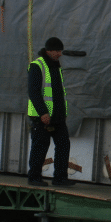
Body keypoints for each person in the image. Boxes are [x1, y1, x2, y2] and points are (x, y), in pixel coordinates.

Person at [27, 37, 76, 187]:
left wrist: (62, 113)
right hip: (42, 118)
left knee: (63, 144)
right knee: (40, 146)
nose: (60, 53)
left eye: (60, 50)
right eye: (57, 50)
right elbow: (34, 92)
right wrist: (42, 113)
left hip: (57, 117)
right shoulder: (37, 66)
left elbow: (58, 93)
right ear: (49, 50)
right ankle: (34, 177)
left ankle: (60, 177)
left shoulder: (55, 66)